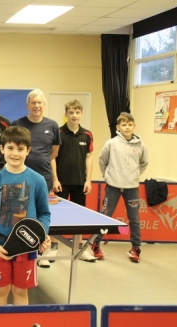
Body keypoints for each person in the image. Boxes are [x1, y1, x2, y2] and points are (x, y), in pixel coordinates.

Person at [0, 126, 51, 306]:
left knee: (20, 290)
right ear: (2, 149)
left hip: (27, 246)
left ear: (28, 150)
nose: (15, 153)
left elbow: (44, 213)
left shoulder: (38, 180)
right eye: (10, 148)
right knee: (1, 290)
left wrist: (42, 235)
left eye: (20, 149)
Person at [11, 89, 61, 268]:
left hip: (44, 179)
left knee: (40, 215)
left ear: (44, 105)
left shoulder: (53, 126)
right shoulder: (17, 124)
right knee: (19, 214)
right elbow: (12, 149)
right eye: (33, 103)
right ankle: (17, 248)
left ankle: (41, 250)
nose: (37, 106)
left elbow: (54, 153)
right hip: (20, 177)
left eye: (40, 103)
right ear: (27, 105)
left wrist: (54, 178)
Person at [93, 112, 149, 263]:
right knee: (105, 216)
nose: (127, 127)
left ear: (134, 126)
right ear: (118, 127)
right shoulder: (111, 143)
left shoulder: (140, 145)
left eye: (129, 124)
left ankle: (135, 248)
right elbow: (102, 161)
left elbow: (144, 163)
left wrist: (134, 175)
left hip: (132, 187)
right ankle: (95, 244)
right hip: (113, 186)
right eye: (124, 124)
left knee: (134, 219)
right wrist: (108, 176)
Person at [52, 100, 96, 262]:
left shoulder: (87, 135)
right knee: (56, 216)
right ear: (66, 114)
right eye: (71, 112)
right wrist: (55, 179)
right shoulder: (59, 133)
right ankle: (53, 247)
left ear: (81, 114)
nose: (74, 115)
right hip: (61, 182)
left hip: (79, 182)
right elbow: (53, 157)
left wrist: (88, 180)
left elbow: (89, 157)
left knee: (79, 216)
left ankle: (79, 248)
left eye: (77, 112)